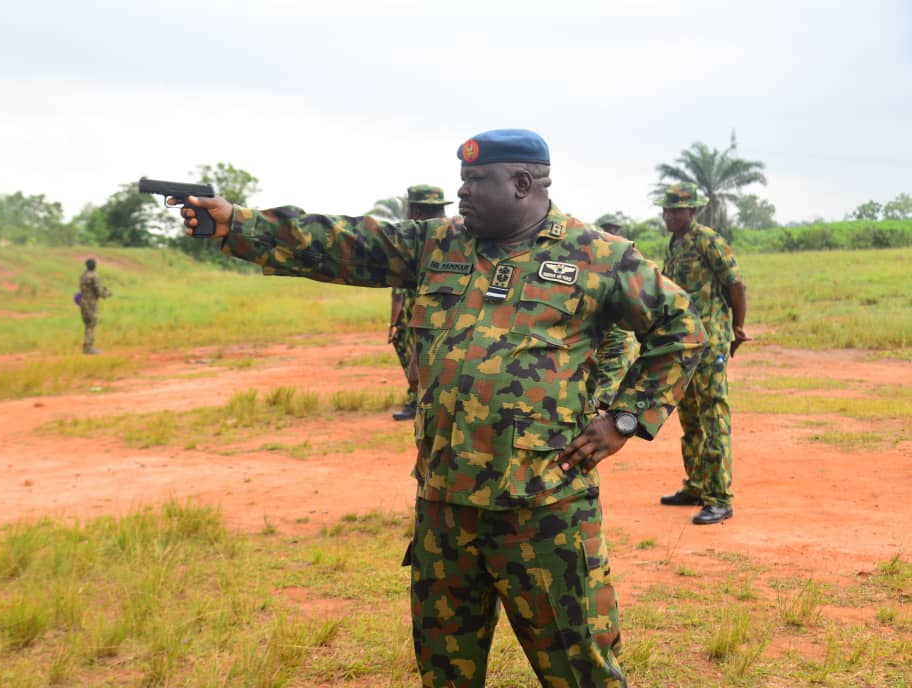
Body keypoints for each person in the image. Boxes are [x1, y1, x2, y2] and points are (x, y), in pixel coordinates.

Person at [174, 129, 706, 688]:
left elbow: (682, 326)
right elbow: (345, 242)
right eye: (462, 179)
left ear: (522, 183)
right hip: (445, 508)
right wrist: (239, 224)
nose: (462, 192)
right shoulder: (437, 244)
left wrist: (624, 419)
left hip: (542, 508)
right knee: (444, 670)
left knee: (580, 671)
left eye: (476, 180)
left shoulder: (598, 255)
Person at [655, 182, 750, 526]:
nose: (668, 215)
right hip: (684, 343)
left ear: (692, 211)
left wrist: (737, 327)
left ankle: (719, 497)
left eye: (675, 210)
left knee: (713, 416)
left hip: (710, 342)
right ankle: (696, 485)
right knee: (690, 415)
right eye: (665, 210)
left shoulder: (708, 240)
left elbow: (736, 284)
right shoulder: (675, 243)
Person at [390, 184, 452, 421]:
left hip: (417, 317)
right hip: (446, 318)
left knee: (416, 360)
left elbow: (397, 293)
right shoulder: (455, 241)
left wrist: (393, 323)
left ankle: (417, 403)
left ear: (414, 211)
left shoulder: (413, 243)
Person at [592, 214, 641, 410]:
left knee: (607, 393)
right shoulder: (589, 254)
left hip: (619, 333)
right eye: (608, 228)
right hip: (596, 333)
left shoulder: (627, 255)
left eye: (615, 229)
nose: (612, 232)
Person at [77, 257, 110, 354]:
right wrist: (107, 293)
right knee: (91, 324)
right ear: (94, 266)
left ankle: (87, 347)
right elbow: (99, 291)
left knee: (88, 324)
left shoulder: (83, 276)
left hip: (83, 302)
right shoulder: (94, 276)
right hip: (91, 303)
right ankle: (88, 348)